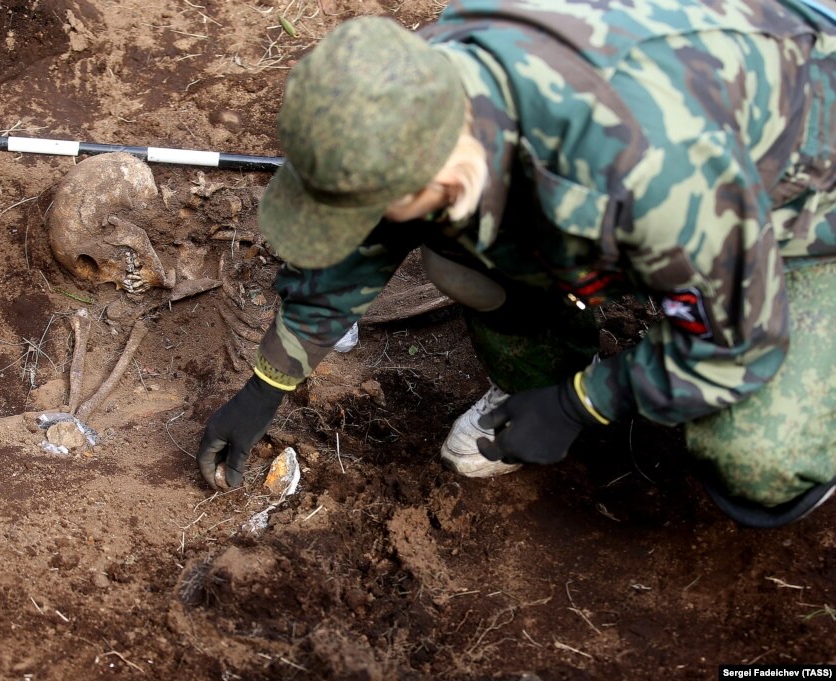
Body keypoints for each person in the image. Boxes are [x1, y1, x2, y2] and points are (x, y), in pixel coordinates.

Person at [196, 0, 836, 528]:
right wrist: (269, 382)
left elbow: (741, 344)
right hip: (682, 188)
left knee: (759, 460)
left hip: (801, 203)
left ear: (443, 163)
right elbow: (359, 232)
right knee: (459, 264)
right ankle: (549, 361)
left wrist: (580, 405)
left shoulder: (649, 169)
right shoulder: (414, 83)